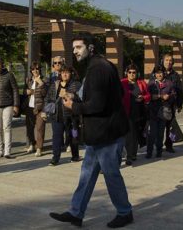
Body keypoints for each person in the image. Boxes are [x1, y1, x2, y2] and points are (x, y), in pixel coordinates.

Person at [50, 33, 133, 228]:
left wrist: (73, 106)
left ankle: (125, 212)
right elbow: (115, 94)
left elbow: (96, 105)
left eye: (79, 47)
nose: (75, 52)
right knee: (87, 173)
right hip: (99, 134)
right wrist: (76, 96)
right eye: (74, 48)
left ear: (91, 48)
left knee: (111, 174)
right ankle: (76, 213)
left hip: (108, 134)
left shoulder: (97, 70)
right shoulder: (102, 66)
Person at [44, 65, 81, 165]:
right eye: (63, 72)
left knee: (73, 136)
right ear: (60, 74)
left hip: (72, 116)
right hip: (57, 115)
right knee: (56, 136)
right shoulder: (55, 84)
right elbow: (47, 98)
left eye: (67, 72)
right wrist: (45, 110)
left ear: (71, 74)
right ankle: (55, 158)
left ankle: (75, 155)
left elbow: (80, 98)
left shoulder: (75, 84)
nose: (64, 74)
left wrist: (70, 95)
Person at [121, 63, 150, 165]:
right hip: (127, 113)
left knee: (137, 134)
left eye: (134, 72)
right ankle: (129, 155)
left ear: (137, 73)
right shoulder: (122, 82)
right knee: (129, 135)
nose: (132, 74)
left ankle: (133, 153)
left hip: (139, 113)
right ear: (126, 73)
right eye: (130, 72)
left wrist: (143, 98)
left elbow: (148, 95)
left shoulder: (141, 83)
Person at [156, 54, 183, 153]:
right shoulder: (157, 72)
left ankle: (169, 144)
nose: (168, 62)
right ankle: (158, 145)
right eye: (166, 60)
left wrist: (179, 104)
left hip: (171, 105)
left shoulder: (175, 75)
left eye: (170, 60)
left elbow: (180, 90)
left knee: (171, 127)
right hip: (158, 104)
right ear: (162, 61)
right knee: (159, 127)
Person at [147, 65, 175, 158]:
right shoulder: (151, 84)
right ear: (154, 74)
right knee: (153, 133)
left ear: (164, 73)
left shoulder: (169, 83)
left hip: (164, 111)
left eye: (161, 72)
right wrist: (156, 96)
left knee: (160, 133)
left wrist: (169, 97)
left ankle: (159, 151)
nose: (159, 74)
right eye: (157, 73)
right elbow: (147, 96)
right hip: (153, 111)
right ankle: (149, 151)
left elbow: (174, 95)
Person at [24, 61, 48, 157]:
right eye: (33, 69)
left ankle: (39, 148)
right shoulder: (28, 80)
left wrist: (41, 83)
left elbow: (45, 93)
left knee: (40, 128)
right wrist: (26, 92)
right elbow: (24, 92)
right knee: (29, 128)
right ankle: (32, 144)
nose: (35, 70)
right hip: (30, 107)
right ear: (31, 70)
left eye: (37, 68)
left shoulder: (45, 79)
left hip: (40, 108)